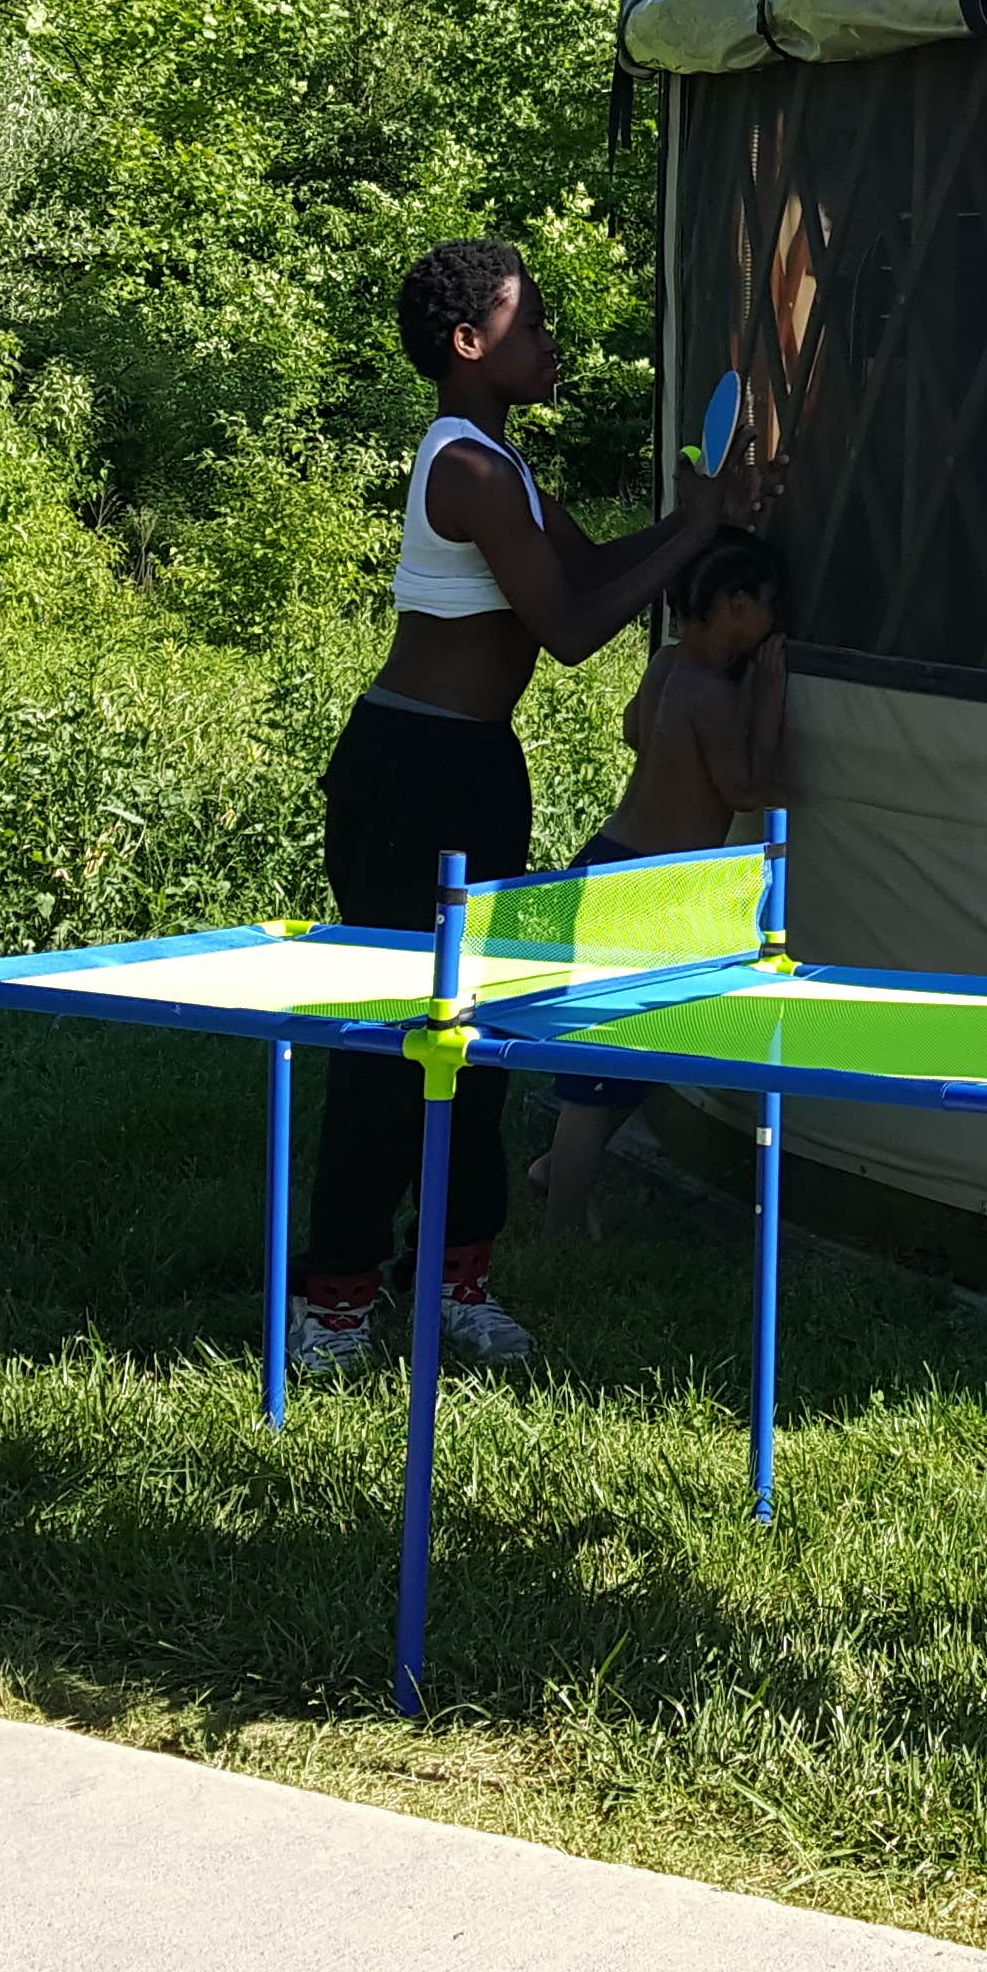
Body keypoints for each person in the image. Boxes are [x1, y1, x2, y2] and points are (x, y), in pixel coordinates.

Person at [294, 237, 764, 1374]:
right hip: (408, 773)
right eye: (533, 322)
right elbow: (569, 630)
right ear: (470, 344)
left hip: (473, 770)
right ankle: (335, 1302)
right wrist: (696, 536)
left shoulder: (504, 465)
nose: (554, 342)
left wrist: (697, 523)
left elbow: (595, 566)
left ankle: (456, 1278)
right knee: (389, 1036)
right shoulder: (467, 471)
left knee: (476, 1031)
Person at [534, 529, 795, 1239]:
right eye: (770, 605)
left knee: (643, 1045)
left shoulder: (668, 664)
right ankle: (561, 1229)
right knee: (604, 1066)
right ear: (736, 605)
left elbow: (631, 731)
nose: (777, 620)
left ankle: (557, 1170)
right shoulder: (712, 693)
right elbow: (746, 791)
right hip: (652, 887)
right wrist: (768, 701)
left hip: (615, 855)